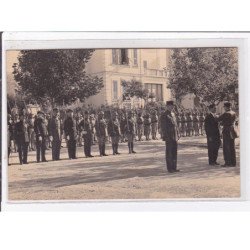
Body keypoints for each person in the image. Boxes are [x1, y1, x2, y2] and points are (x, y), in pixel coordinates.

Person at [161, 101, 180, 173]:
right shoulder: (164, 115)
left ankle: (174, 167)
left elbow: (176, 125)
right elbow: (163, 127)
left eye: (172, 106)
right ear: (167, 106)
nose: (172, 107)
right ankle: (170, 168)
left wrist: (178, 134)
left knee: (174, 152)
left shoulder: (173, 114)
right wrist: (166, 136)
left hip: (174, 136)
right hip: (169, 136)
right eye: (170, 106)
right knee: (169, 153)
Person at [218, 102, 237, 167]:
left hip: (226, 131)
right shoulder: (233, 113)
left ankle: (228, 163)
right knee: (232, 147)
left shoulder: (226, 113)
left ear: (226, 107)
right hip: (232, 130)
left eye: (224, 107)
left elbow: (218, 119)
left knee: (226, 147)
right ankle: (233, 162)